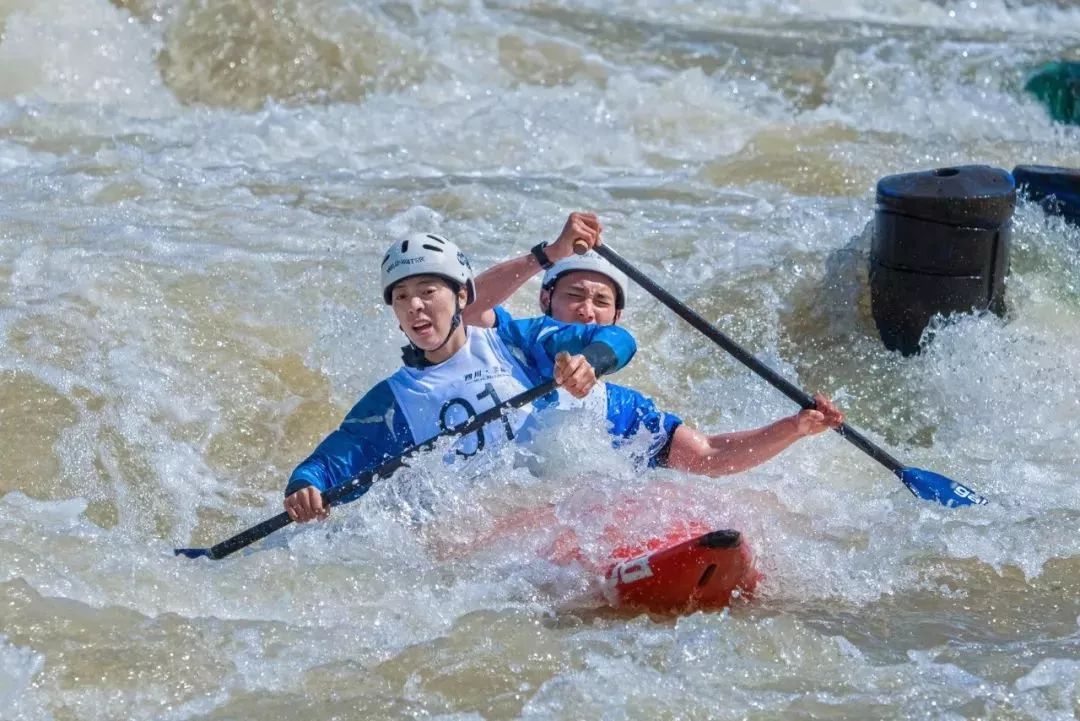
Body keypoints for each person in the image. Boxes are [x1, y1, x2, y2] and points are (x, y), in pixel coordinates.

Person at [283, 231, 637, 523]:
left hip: (557, 502)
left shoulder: (513, 340)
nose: (414, 305)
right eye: (402, 297)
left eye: (427, 291)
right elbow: (330, 462)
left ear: (462, 296)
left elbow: (617, 339)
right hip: (487, 534)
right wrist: (305, 486)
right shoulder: (392, 402)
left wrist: (591, 362)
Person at [461, 211, 845, 477]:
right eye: (575, 296)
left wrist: (794, 427)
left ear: (616, 316)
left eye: (601, 302)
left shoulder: (619, 408)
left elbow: (708, 456)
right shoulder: (509, 340)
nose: (587, 311)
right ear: (546, 300)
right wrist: (549, 254)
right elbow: (464, 307)